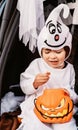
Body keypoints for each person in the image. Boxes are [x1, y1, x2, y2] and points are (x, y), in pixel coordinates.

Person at [17, 4, 78, 130]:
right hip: (37, 107)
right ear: (41, 50)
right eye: (47, 52)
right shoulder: (37, 64)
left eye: (58, 52)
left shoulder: (70, 69)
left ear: (67, 50)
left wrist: (69, 93)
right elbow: (24, 86)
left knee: (67, 126)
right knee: (36, 126)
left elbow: (74, 95)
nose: (52, 56)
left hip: (61, 108)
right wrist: (34, 83)